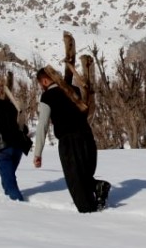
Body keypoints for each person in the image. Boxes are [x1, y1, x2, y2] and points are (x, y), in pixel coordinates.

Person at [31, 67, 110, 213]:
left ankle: (89, 214)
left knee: (75, 180)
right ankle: (97, 187)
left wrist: (37, 153)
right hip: (87, 135)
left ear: (44, 80)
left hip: (69, 140)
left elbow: (42, 125)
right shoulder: (74, 90)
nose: (41, 87)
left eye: (40, 83)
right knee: (84, 174)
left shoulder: (48, 96)